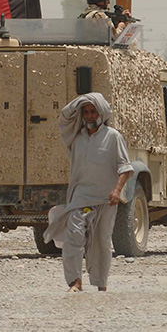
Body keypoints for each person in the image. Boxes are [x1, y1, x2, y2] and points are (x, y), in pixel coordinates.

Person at [43, 93, 133, 292]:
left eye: (93, 111)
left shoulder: (113, 136)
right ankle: (75, 281)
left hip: (105, 199)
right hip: (81, 197)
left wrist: (117, 190)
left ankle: (101, 284)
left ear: (101, 113)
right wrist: (84, 100)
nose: (90, 116)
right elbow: (65, 116)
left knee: (101, 242)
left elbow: (126, 168)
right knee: (73, 236)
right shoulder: (76, 138)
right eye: (86, 112)